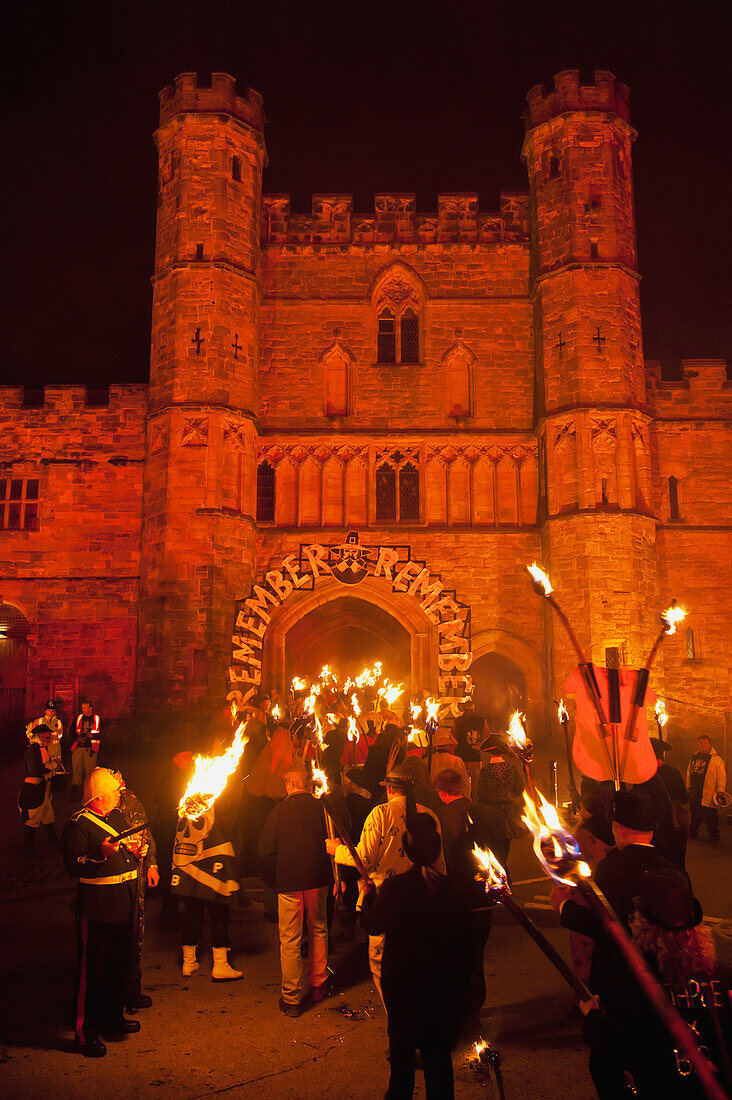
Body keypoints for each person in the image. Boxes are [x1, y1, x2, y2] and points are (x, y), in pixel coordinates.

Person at [552, 790, 678, 1099]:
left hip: (619, 979)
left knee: (609, 1060)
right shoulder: (670, 866)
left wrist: (563, 908)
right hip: (662, 979)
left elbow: (605, 927)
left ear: (618, 829)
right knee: (652, 1058)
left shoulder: (611, 868)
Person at [362, 812, 465, 1099]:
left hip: (405, 989)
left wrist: (369, 898)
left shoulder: (396, 889)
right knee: (439, 1064)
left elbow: (372, 924)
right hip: (441, 990)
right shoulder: (453, 890)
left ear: (407, 851)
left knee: (402, 1064)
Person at [327, 763, 445, 1006]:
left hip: (385, 897)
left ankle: (399, 1018)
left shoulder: (380, 814)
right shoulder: (429, 815)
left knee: (382, 964)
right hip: (424, 899)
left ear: (390, 789)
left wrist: (336, 849)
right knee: (418, 961)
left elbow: (365, 860)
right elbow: (439, 863)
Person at [627, 868, 732, 1097]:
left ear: (642, 923)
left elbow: (625, 1044)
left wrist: (594, 1021)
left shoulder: (637, 980)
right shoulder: (719, 973)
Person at [62, 767, 141, 1057]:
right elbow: (74, 864)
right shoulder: (78, 824)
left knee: (117, 965)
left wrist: (134, 851)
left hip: (122, 901)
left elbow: (126, 850)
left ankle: (113, 1018)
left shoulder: (117, 816)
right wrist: (100, 854)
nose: (119, 795)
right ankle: (86, 1032)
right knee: (92, 971)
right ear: (99, 796)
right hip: (96, 905)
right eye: (114, 791)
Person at [258, 765, 333, 1017]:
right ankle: (318, 986)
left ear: (289, 785)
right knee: (318, 929)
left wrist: (274, 879)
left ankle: (291, 998)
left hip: (289, 883)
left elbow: (265, 851)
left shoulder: (278, 812)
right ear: (307, 784)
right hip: (317, 879)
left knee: (290, 939)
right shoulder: (321, 807)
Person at [434, 767, 496, 1040]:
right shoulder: (484, 812)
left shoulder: (440, 817)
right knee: (476, 957)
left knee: (458, 957)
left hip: (457, 899)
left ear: (441, 790)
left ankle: (463, 1015)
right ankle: (474, 1013)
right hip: (483, 895)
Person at [172, 783, 243, 983]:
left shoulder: (188, 799)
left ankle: (189, 962)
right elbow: (229, 826)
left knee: (191, 914)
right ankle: (220, 965)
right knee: (219, 913)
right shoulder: (214, 802)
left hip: (187, 870)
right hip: (212, 867)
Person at [117, 776, 159, 1013]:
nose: (122, 785)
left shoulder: (130, 800)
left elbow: (145, 831)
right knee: (120, 937)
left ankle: (133, 989)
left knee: (137, 935)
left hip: (138, 876)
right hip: (117, 882)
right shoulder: (101, 809)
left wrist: (152, 862)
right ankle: (117, 993)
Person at [637, 737, 690, 868]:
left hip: (654, 826)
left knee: (658, 862)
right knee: (676, 860)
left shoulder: (642, 775)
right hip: (674, 825)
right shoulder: (674, 772)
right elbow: (683, 797)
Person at [474, 736, 525, 872]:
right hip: (508, 811)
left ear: (489, 753)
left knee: (494, 848)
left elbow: (480, 793)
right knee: (504, 846)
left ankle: (500, 873)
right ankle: (503, 870)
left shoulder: (485, 771)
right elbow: (520, 788)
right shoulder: (512, 768)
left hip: (491, 812)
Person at [18, 723, 59, 854]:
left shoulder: (43, 749)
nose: (49, 740)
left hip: (43, 789)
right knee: (33, 818)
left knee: (48, 816)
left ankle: (54, 843)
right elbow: (35, 769)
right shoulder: (32, 750)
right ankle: (29, 848)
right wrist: (52, 765)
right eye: (47, 738)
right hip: (34, 790)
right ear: (39, 738)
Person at [687, 735, 726, 843]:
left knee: (711, 815)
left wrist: (721, 790)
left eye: (705, 743)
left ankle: (714, 835)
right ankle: (693, 833)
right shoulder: (694, 757)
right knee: (695, 814)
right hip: (696, 792)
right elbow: (689, 773)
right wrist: (689, 786)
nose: (703, 745)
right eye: (701, 743)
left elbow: (721, 776)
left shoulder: (716, 760)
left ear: (709, 745)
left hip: (710, 793)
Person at [70, 700, 101, 800]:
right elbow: (71, 731)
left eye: (85, 708)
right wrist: (76, 738)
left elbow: (104, 733)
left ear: (90, 708)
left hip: (90, 749)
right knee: (76, 771)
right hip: (78, 748)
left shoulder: (97, 719)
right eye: (82, 707)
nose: (82, 709)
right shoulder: (79, 718)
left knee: (89, 773)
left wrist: (92, 735)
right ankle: (75, 795)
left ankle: (89, 795)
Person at [27, 699, 64, 769]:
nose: (51, 713)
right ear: (45, 711)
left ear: (55, 712)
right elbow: (30, 733)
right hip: (43, 749)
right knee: (44, 768)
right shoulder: (39, 721)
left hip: (55, 750)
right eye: (49, 710)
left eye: (53, 711)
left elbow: (60, 735)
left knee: (55, 768)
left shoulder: (58, 722)